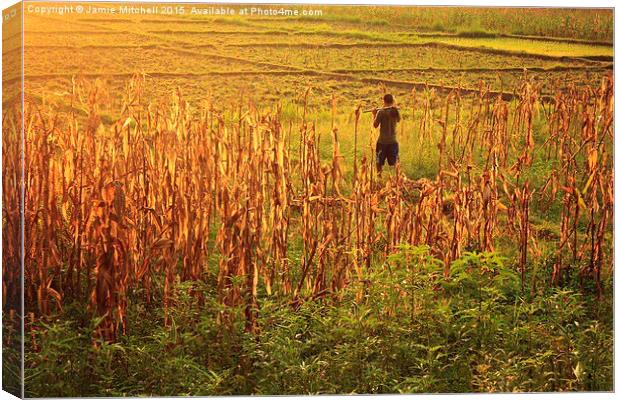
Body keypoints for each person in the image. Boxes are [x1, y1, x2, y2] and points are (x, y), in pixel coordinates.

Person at [372, 93, 401, 174]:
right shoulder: (395, 111)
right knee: (396, 163)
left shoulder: (381, 112)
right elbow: (398, 120)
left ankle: (379, 178)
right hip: (393, 141)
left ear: (384, 101)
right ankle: (398, 179)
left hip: (382, 142)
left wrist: (374, 114)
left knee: (379, 163)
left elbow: (375, 125)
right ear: (392, 101)